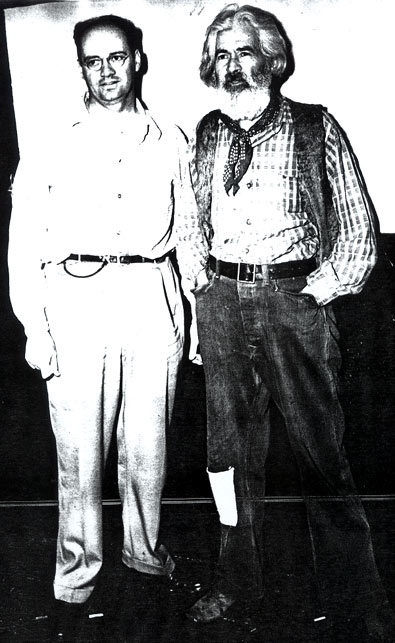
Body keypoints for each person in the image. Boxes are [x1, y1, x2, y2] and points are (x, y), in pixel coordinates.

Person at [186, 4, 395, 640]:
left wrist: (314, 295)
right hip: (221, 302)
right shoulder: (207, 132)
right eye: (221, 53)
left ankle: (357, 595)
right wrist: (204, 300)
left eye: (244, 51)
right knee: (228, 460)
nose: (232, 65)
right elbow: (195, 226)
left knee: (322, 454)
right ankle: (237, 583)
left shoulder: (314, 126)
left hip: (292, 303)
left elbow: (358, 231)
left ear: (272, 59)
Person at [8, 13, 207, 640]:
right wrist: (34, 327)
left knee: (150, 445)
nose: (106, 72)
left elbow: (189, 232)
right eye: (93, 61)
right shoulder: (50, 142)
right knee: (79, 450)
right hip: (76, 296)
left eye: (117, 58)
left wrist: (191, 316)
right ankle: (77, 572)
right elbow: (23, 243)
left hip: (152, 293)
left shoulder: (170, 138)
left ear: (138, 60)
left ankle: (144, 555)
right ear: (80, 68)